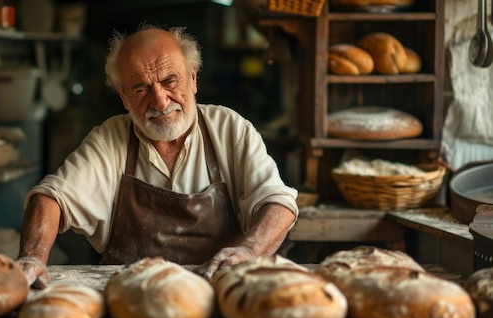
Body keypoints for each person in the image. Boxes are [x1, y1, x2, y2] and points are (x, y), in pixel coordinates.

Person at [16, 24, 299, 288]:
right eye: (140, 88)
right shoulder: (110, 139)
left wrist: (249, 251)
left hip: (217, 291)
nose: (160, 101)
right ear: (124, 98)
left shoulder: (229, 129)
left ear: (192, 78)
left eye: (169, 81)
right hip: (132, 297)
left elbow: (278, 203)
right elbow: (51, 198)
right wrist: (33, 257)